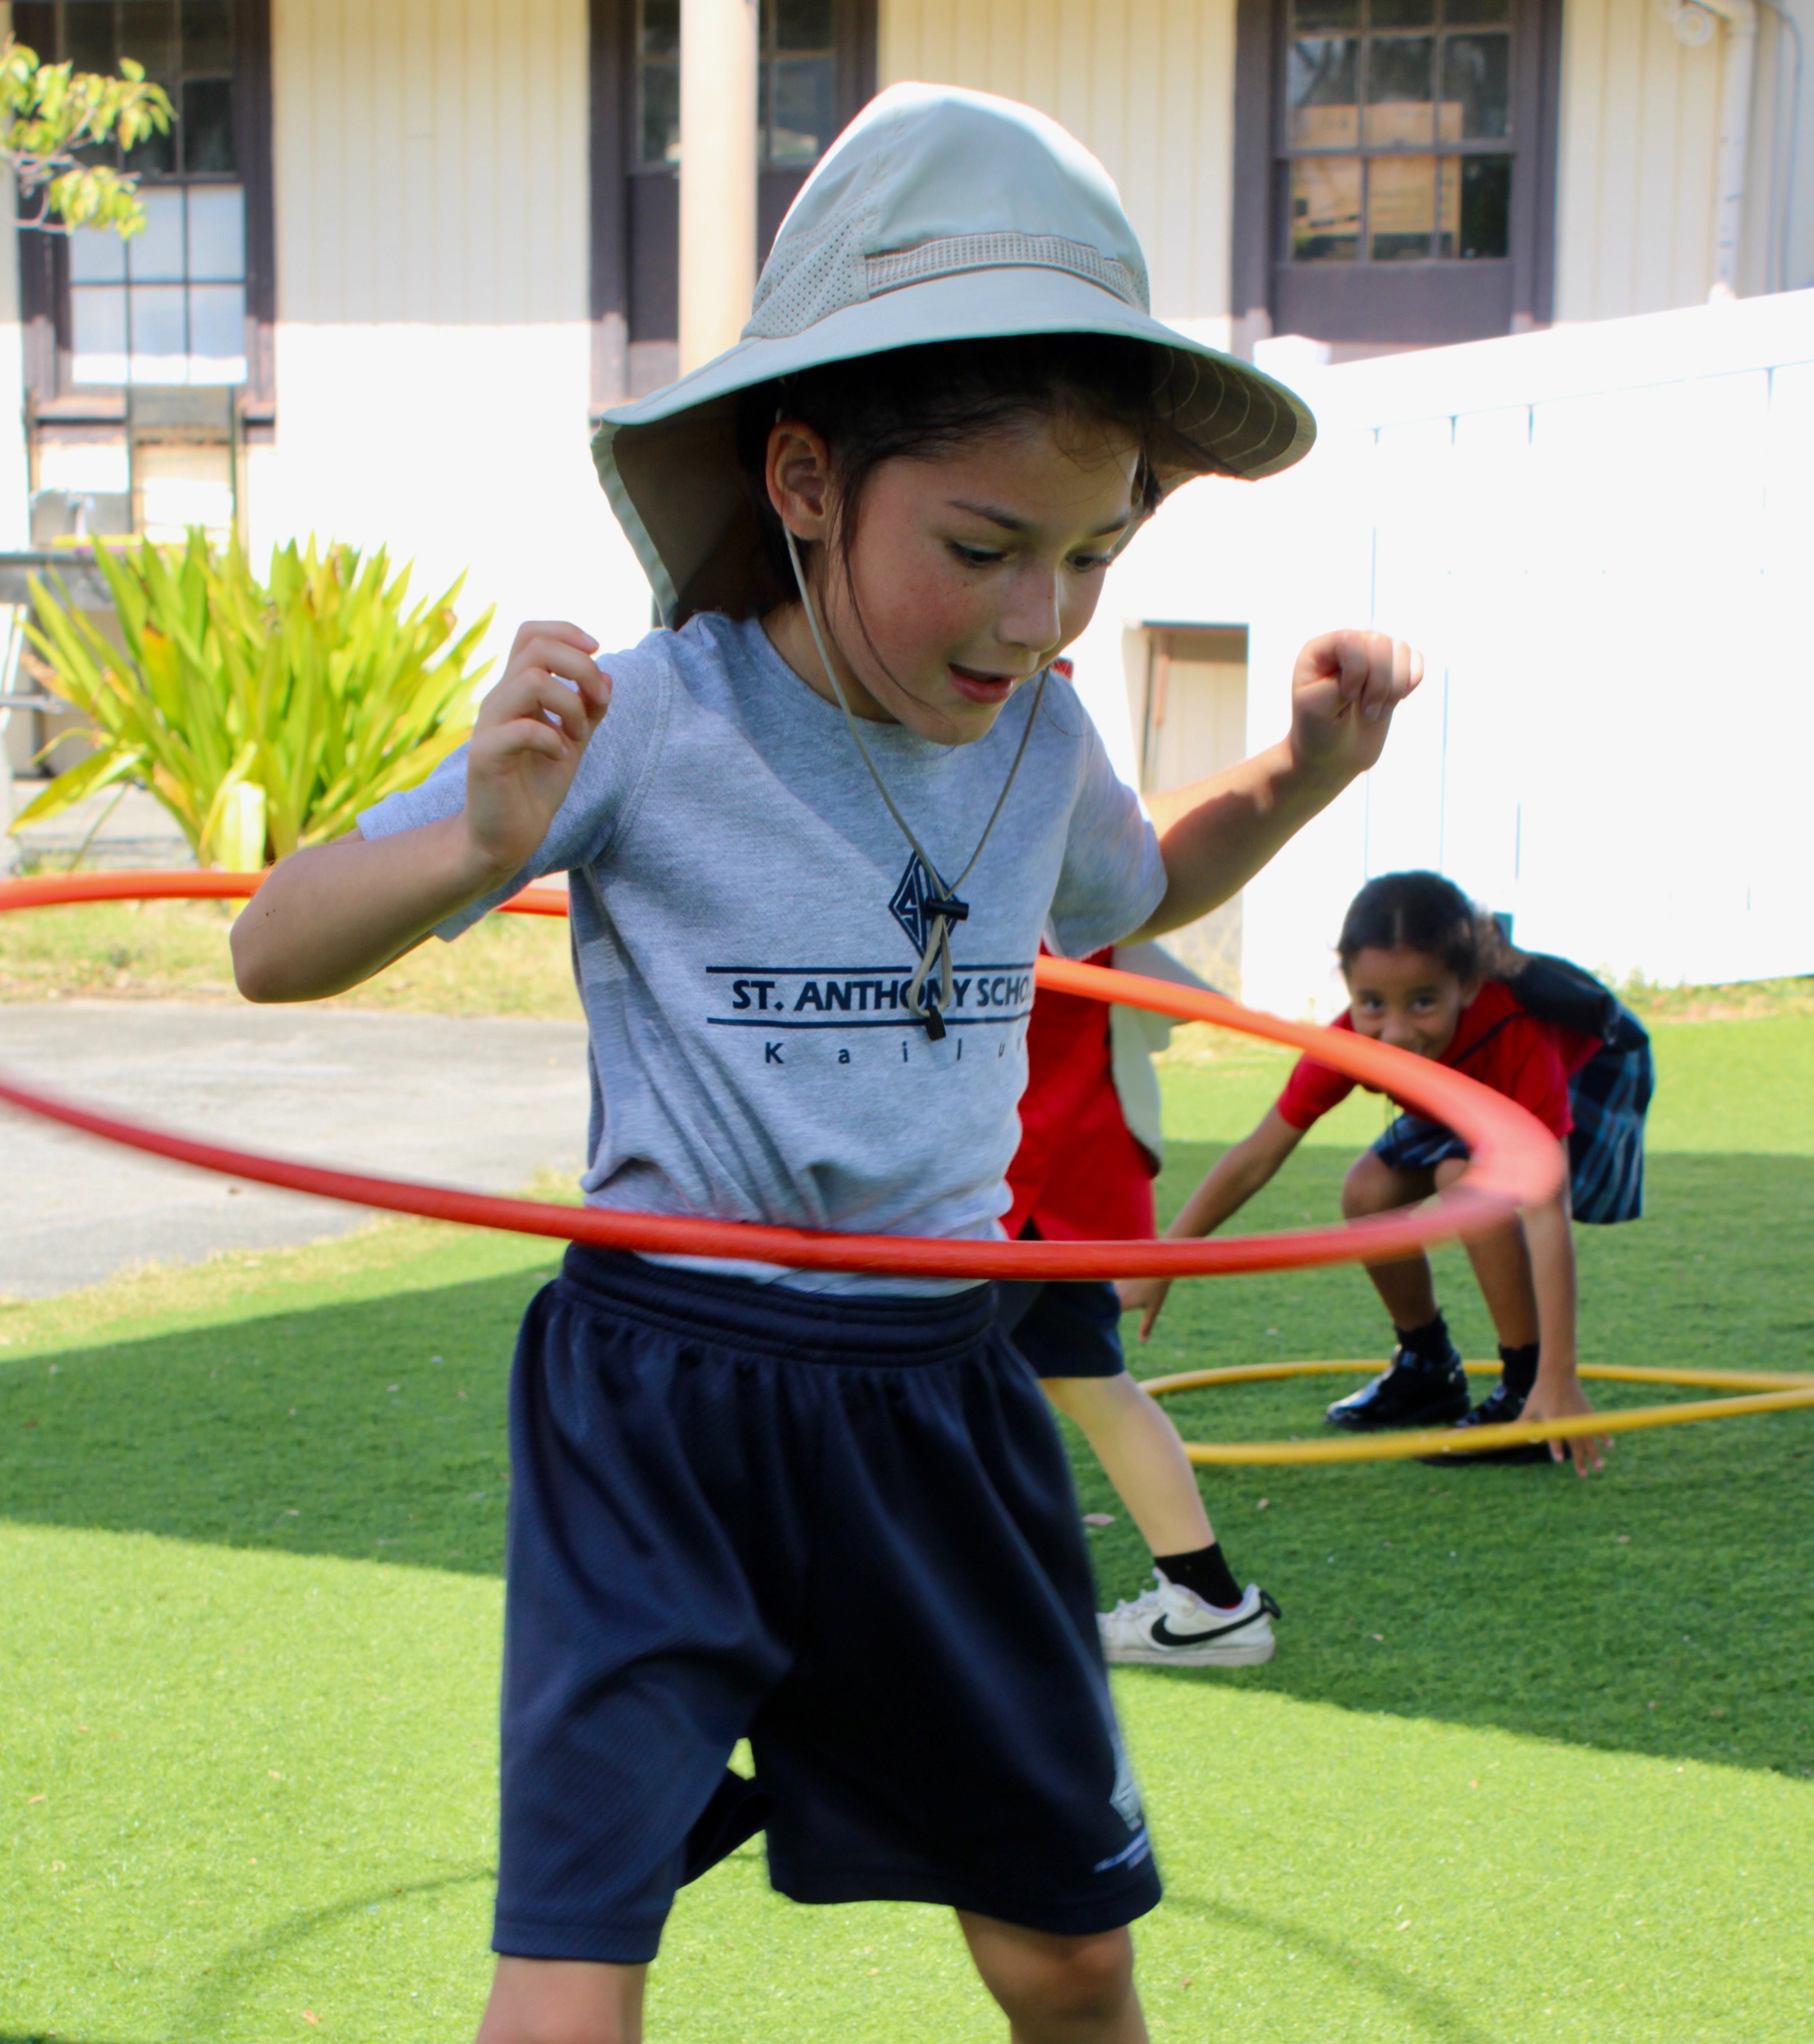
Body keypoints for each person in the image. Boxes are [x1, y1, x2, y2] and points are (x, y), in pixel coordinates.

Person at [231, 84, 1418, 2044]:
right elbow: (274, 944)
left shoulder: (1038, 742)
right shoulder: (644, 721)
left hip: (937, 1390)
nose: (1039, 618)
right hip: (663, 1400)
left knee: (1070, 1950)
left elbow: (1130, 891)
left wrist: (1301, 774)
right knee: (570, 1969)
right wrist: (475, 833)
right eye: (982, 546)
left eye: (1091, 556)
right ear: (800, 477)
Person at [1124, 871, 1652, 1479]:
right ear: (1349, 988)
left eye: (1423, 1001)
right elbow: (1257, 1155)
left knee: (1466, 1180)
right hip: (1457, 1089)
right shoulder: (1353, 1039)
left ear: (1468, 986)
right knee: (1368, 1189)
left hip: (1581, 1078)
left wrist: (1560, 1374)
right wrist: (1166, 1259)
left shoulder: (1514, 1031)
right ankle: (1427, 1367)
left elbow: (1544, 1208)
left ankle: (1525, 1389)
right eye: (1373, 1003)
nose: (1397, 1032)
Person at [999, 936, 1280, 1666]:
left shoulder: (1001, 862)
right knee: (1089, 1379)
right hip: (1065, 1161)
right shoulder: (1065, 870)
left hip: (999, 1172)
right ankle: (1208, 1600)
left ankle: (923, 1614)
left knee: (913, 1384)